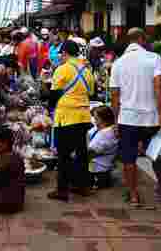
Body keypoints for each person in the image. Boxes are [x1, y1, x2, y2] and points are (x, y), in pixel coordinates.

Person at [110, 28, 161, 207]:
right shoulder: (154, 58)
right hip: (150, 117)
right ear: (142, 39)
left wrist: (116, 120)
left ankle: (134, 195)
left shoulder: (118, 63)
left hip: (127, 118)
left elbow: (115, 95)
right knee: (156, 155)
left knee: (129, 159)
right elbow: (159, 86)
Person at [47, 40, 95, 202]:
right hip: (84, 116)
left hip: (66, 117)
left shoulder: (63, 69)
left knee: (63, 155)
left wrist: (50, 109)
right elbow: (91, 92)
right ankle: (82, 186)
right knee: (81, 152)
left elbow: (53, 95)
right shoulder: (87, 71)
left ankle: (62, 190)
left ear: (65, 53)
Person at [88, 106, 118, 190]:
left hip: (98, 171)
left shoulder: (106, 134)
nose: (93, 119)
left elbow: (90, 153)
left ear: (102, 119)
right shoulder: (99, 128)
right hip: (94, 167)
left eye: (95, 118)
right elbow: (87, 135)